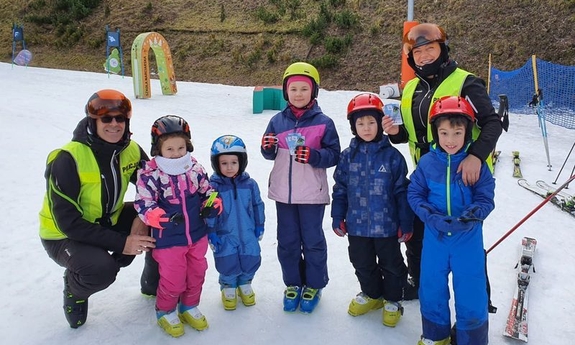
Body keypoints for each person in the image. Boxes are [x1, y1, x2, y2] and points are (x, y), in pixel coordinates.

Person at [383, 23, 503, 301]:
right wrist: (394, 132)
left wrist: (476, 156)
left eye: (430, 49)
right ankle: (421, 283)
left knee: (464, 242)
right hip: (426, 174)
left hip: (463, 175)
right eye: (418, 52)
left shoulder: (465, 82)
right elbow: (413, 133)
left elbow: (491, 123)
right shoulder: (411, 87)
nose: (424, 56)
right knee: (419, 235)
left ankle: (476, 301)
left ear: (443, 49)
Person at [39, 89, 158, 329]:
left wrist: (142, 218)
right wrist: (123, 244)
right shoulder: (67, 158)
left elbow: (155, 186)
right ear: (93, 121)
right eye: (106, 118)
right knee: (101, 269)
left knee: (160, 219)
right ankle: (75, 289)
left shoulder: (130, 149)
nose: (114, 124)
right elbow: (69, 223)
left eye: (120, 118)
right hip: (63, 235)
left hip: (106, 220)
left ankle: (153, 283)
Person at [408, 96, 495, 345]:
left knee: (471, 291)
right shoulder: (426, 163)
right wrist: (430, 215)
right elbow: (414, 193)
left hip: (466, 238)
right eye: (444, 133)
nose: (450, 140)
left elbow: (486, 197)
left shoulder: (475, 164)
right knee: (431, 287)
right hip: (435, 237)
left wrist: (470, 217)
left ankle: (472, 339)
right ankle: (436, 336)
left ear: (467, 132)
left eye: (457, 133)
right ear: (436, 133)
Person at [260, 61, 340, 314]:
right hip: (284, 193)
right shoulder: (276, 121)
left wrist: (315, 156)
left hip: (311, 194)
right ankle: (293, 283)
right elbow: (269, 154)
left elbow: (334, 154)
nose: (298, 94)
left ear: (313, 92)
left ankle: (314, 284)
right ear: (286, 91)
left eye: (304, 89)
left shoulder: (324, 122)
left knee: (313, 241)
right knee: (287, 241)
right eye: (293, 89)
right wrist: (267, 146)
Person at [134, 115, 221, 337]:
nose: (176, 153)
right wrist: (155, 216)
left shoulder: (194, 168)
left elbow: (206, 191)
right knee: (173, 278)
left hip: (196, 235)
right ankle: (165, 310)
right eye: (170, 148)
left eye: (181, 147)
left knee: (197, 273)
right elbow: (144, 202)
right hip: (169, 239)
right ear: (158, 148)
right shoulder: (151, 173)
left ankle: (189, 305)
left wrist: (212, 203)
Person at [331, 93, 413, 327]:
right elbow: (340, 188)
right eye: (360, 123)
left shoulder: (392, 157)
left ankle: (393, 300)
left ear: (381, 123)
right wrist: (338, 215)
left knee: (392, 264)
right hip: (357, 225)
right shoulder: (347, 157)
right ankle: (372, 294)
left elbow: (401, 191)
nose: (366, 128)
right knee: (361, 262)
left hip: (386, 226)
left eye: (371, 122)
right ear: (353, 126)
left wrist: (405, 222)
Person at [206, 134, 266, 311]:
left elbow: (257, 205)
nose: (229, 167)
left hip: (248, 232)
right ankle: (228, 286)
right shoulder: (213, 187)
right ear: (216, 164)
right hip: (225, 234)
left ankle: (245, 282)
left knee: (251, 257)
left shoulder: (250, 184)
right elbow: (209, 210)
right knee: (227, 260)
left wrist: (259, 225)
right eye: (224, 163)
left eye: (234, 162)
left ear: (242, 162)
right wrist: (211, 231)